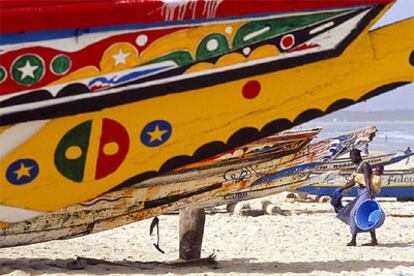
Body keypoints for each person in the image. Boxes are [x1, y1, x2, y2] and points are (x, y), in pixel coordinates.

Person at [336, 149, 378, 246]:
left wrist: (369, 192)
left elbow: (367, 179)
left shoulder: (365, 165)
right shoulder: (357, 167)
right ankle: (374, 240)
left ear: (358, 156)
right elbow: (353, 181)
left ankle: (353, 240)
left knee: (353, 213)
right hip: (360, 192)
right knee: (366, 214)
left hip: (366, 192)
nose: (351, 159)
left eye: (352, 157)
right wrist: (341, 188)